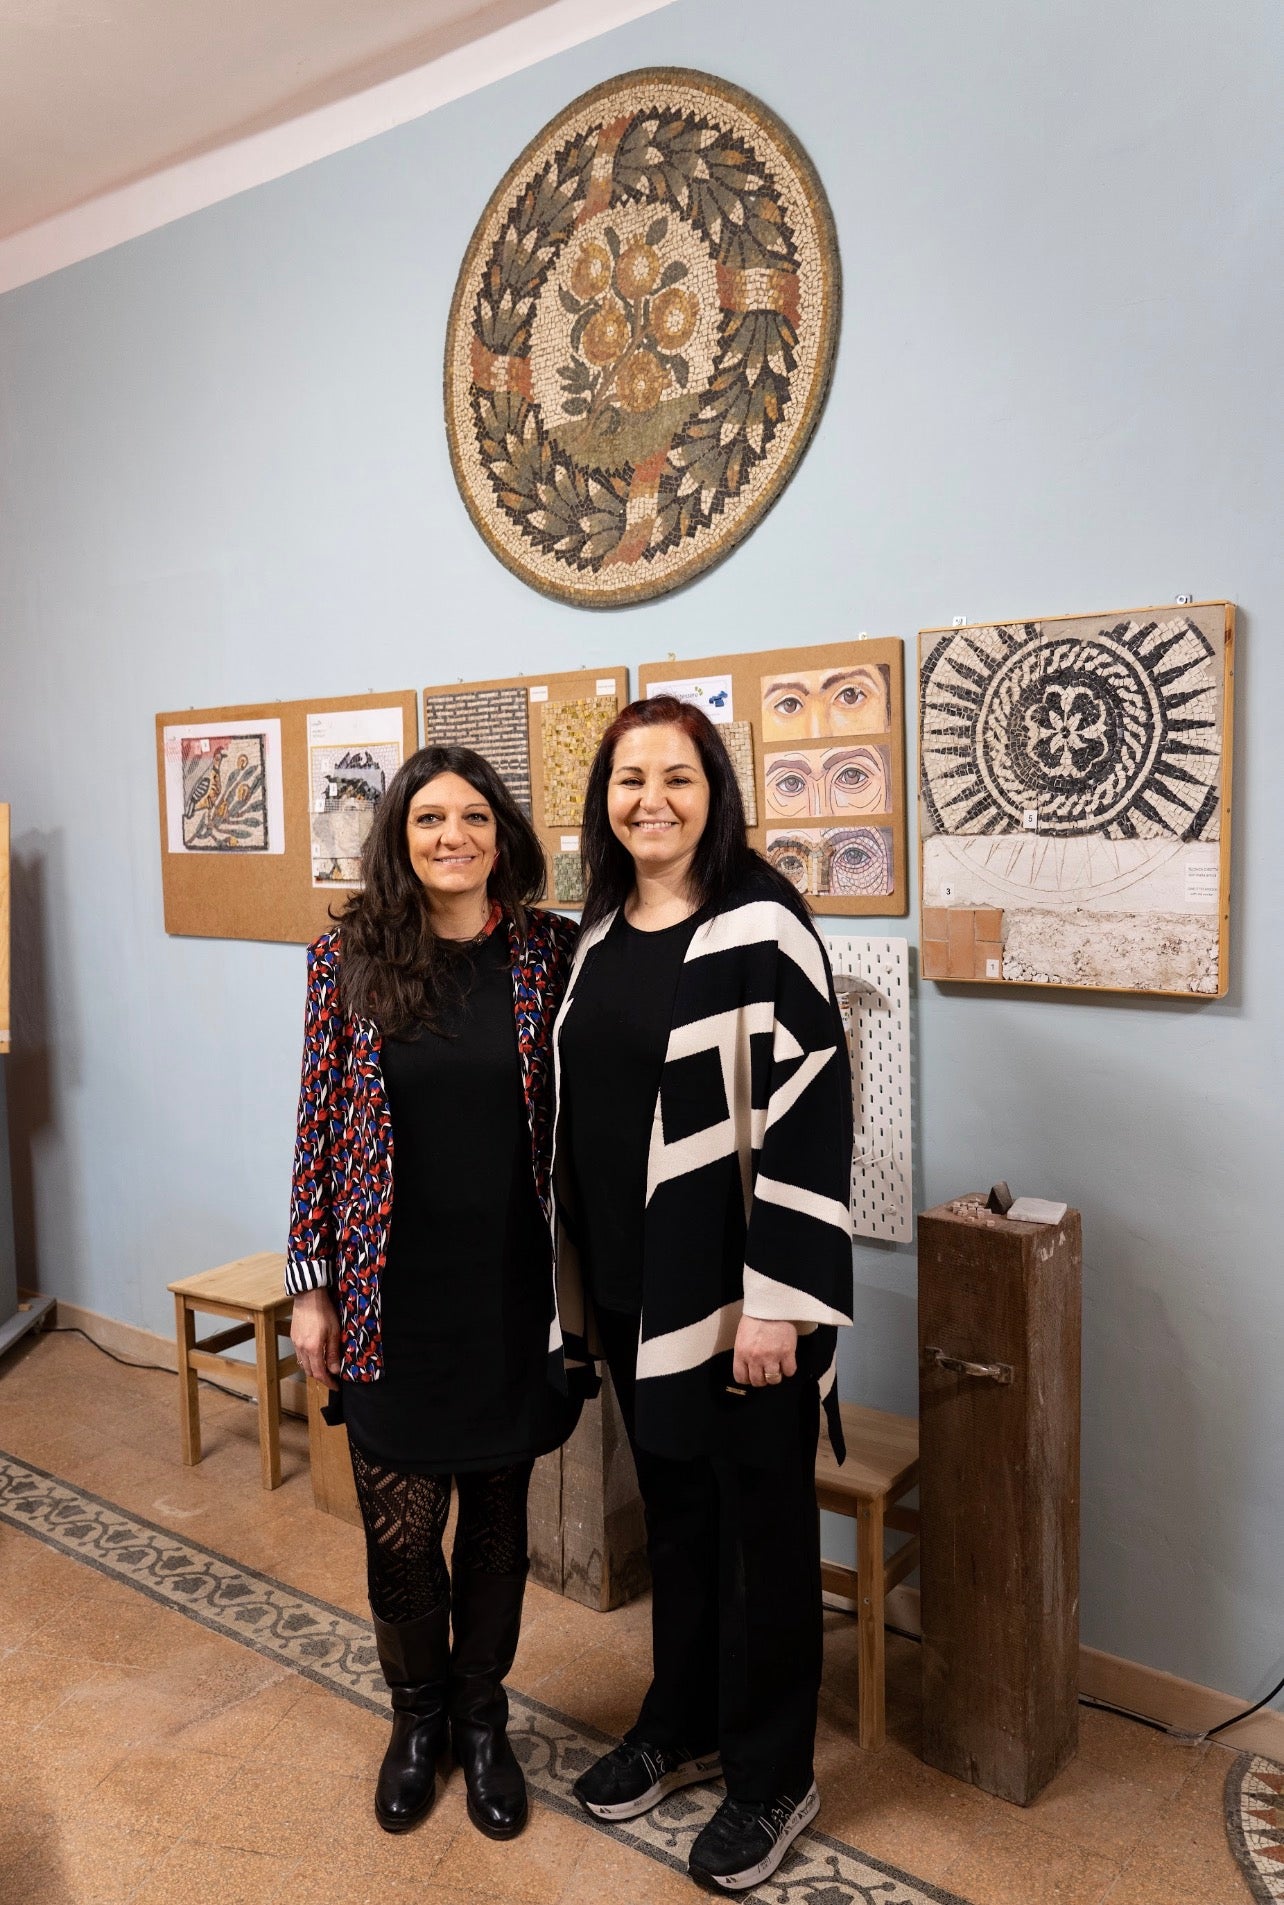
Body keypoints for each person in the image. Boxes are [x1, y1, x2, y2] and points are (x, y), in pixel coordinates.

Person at [552, 696, 854, 1893]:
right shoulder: (596, 934)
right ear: (605, 801)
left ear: (715, 793)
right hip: (636, 1294)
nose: (652, 801)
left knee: (763, 1537)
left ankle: (774, 1773)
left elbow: (812, 1116)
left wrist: (779, 1301)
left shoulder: (763, 925)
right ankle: (681, 1722)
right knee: (678, 1520)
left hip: (741, 1303)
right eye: (630, 780)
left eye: (677, 778)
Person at [286, 745, 579, 1841]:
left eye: (474, 817)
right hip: (388, 1301)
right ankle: (417, 1720)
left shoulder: (550, 953)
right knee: (402, 1537)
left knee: (498, 1529)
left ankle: (482, 1718)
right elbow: (317, 1125)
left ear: (503, 835)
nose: (452, 835)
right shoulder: (348, 957)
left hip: (512, 1294)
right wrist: (310, 1286)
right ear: (399, 838)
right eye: (428, 819)